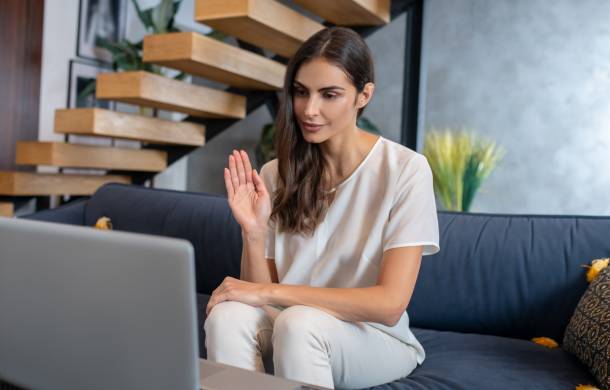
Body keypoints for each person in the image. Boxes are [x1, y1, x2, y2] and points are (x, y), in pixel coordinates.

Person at [204, 26, 440, 390]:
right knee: (227, 317)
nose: (309, 110)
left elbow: (390, 304)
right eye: (301, 93)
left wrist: (271, 294)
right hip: (289, 326)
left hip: (373, 338)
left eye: (329, 95)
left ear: (364, 95)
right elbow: (258, 293)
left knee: (299, 324)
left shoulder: (405, 170)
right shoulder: (274, 174)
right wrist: (253, 233)